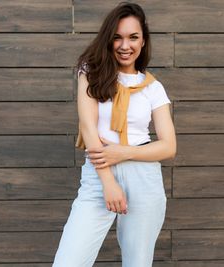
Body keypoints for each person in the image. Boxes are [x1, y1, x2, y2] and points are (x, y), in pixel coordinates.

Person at [52, 2, 176, 266]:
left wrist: (124, 152)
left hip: (144, 177)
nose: (124, 45)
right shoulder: (91, 73)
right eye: (117, 37)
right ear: (108, 40)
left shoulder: (153, 88)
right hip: (99, 176)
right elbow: (88, 127)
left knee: (138, 263)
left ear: (143, 42)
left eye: (133, 37)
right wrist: (109, 182)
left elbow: (168, 146)